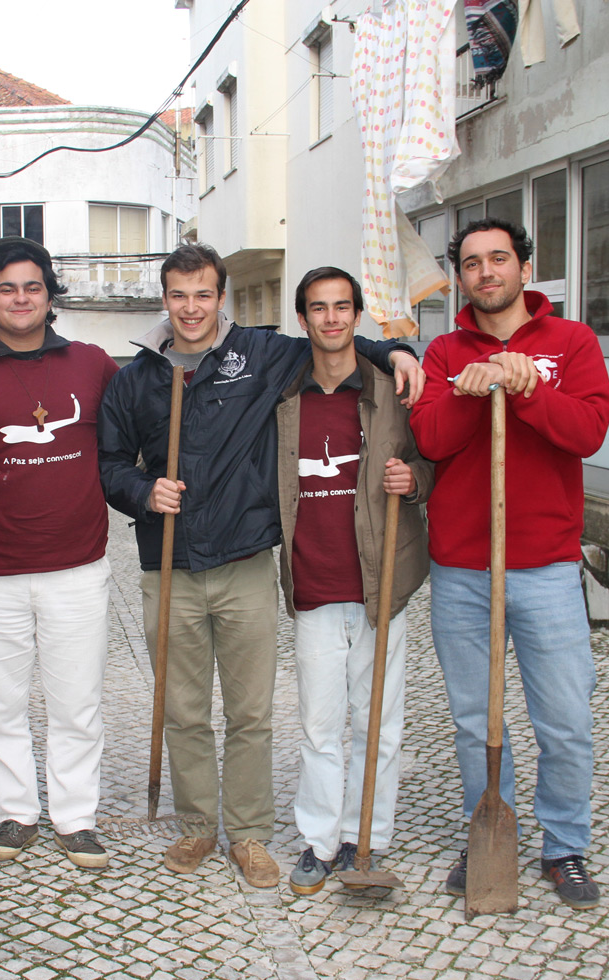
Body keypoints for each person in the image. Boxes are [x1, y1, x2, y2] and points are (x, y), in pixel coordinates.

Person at [97, 244, 425, 888]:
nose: (192, 308)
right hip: (169, 563)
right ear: (164, 299)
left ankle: (248, 832)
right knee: (183, 709)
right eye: (179, 295)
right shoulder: (135, 378)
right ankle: (197, 825)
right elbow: (108, 461)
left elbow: (335, 341)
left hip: (245, 558)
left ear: (222, 298)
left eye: (203, 294)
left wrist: (395, 351)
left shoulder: (260, 353)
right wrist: (141, 491)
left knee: (251, 712)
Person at [408, 218, 609, 909]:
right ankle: (487, 828)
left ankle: (565, 845)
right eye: (472, 263)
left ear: (525, 268)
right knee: (476, 720)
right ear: (461, 278)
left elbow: (587, 432)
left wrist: (526, 390)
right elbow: (430, 439)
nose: (486, 272)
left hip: (545, 566)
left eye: (499, 258)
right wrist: (470, 392)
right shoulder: (444, 352)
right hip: (463, 568)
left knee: (565, 719)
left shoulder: (571, 342)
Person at [0, 236, 119, 870]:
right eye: (6, 288)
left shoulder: (93, 364)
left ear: (50, 295)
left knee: (77, 703)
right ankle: (14, 812)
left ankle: (76, 817)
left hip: (77, 567)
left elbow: (134, 430)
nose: (20, 298)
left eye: (32, 286)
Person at [275, 267, 435, 895]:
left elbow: (434, 459)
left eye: (343, 306)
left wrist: (415, 480)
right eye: (319, 308)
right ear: (303, 318)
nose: (332, 318)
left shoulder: (393, 390)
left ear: (358, 315)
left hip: (381, 585)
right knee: (319, 726)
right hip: (313, 583)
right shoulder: (284, 397)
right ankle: (318, 841)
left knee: (379, 724)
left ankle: (366, 836)